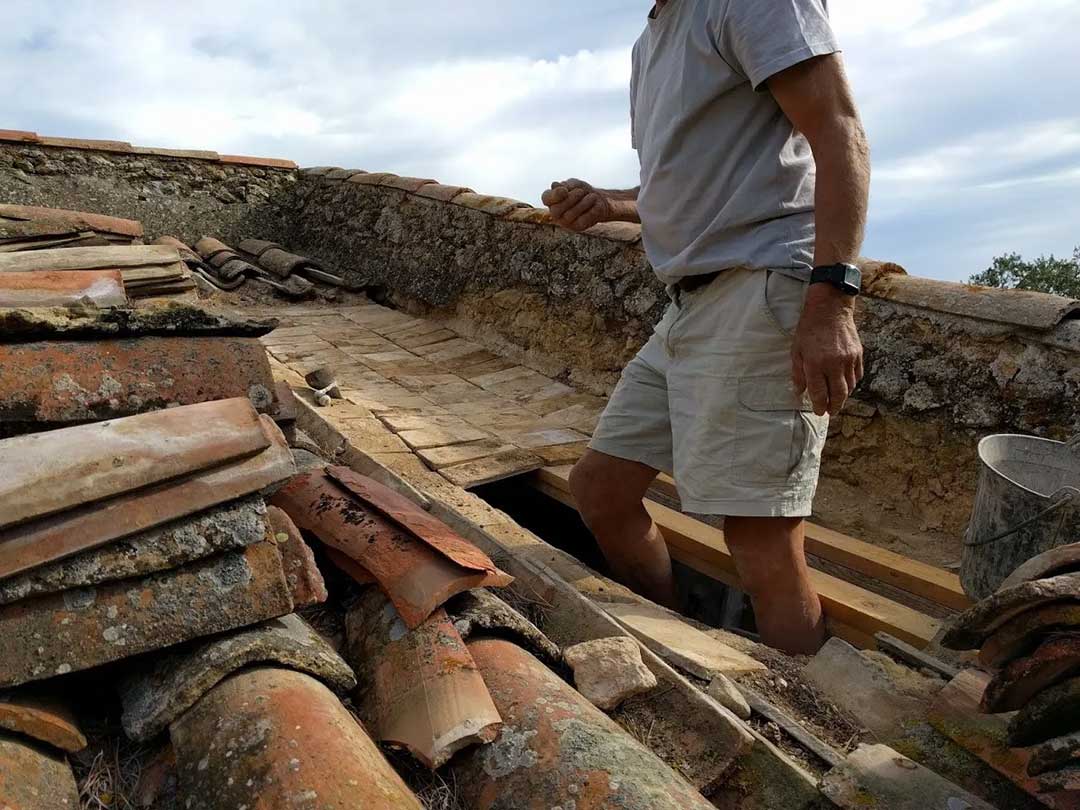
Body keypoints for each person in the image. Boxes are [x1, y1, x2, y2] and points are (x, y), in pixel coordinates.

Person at [542, 0, 869, 654]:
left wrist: (832, 300)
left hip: (762, 287)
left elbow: (840, 133)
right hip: (689, 305)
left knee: (759, 537)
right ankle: (677, 649)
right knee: (601, 490)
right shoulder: (654, 37)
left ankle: (809, 724)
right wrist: (609, 203)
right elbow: (681, 186)